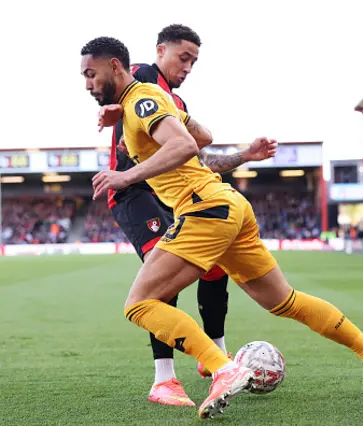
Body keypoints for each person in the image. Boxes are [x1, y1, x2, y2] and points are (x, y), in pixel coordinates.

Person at [80, 36, 363, 419]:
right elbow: (203, 137)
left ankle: (222, 367)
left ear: (115, 66)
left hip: (204, 209)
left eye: (90, 74)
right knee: (284, 300)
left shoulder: (142, 100)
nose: (87, 83)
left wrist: (125, 174)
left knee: (139, 304)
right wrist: (128, 119)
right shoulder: (151, 98)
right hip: (230, 207)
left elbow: (184, 146)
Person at [101, 24, 275, 407]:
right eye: (184, 57)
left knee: (213, 267)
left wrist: (245, 156)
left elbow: (201, 158)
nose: (189, 67)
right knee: (162, 277)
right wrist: (111, 108)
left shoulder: (174, 104)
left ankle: (214, 356)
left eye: (194, 61)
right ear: (160, 51)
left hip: (173, 197)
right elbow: (112, 85)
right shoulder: (146, 78)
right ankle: (164, 379)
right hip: (133, 194)